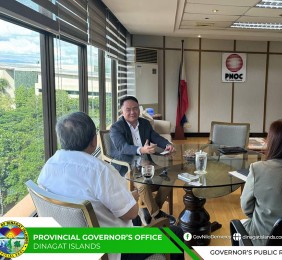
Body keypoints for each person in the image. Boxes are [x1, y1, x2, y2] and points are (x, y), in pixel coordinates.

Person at [37, 112, 184, 260]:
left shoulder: (48, 166)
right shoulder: (100, 170)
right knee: (176, 233)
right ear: (94, 140)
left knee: (137, 219)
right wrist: (130, 198)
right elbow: (131, 213)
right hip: (111, 248)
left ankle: (147, 217)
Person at [110, 96, 176, 225]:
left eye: (135, 108)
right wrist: (142, 150)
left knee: (170, 177)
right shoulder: (116, 128)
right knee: (143, 185)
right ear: (121, 111)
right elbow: (122, 148)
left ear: (139, 109)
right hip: (128, 166)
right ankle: (157, 216)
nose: (132, 112)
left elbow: (155, 137)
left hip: (147, 164)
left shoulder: (144, 123)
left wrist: (167, 144)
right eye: (128, 109)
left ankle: (150, 212)